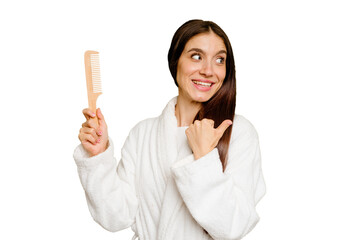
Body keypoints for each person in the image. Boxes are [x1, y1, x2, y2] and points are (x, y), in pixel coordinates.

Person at [74, 19, 266, 240]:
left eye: (220, 60)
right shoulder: (142, 134)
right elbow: (116, 217)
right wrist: (98, 157)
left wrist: (204, 158)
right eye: (197, 56)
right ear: (175, 61)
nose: (208, 70)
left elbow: (233, 226)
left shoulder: (238, 132)